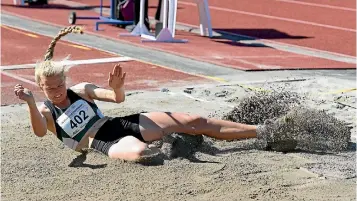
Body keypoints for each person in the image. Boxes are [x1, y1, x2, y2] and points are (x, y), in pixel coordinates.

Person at [14, 26, 293, 162]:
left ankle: (263, 130)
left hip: (117, 124)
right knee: (143, 155)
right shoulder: (46, 112)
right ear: (41, 87)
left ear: (65, 80)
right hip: (101, 142)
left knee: (193, 119)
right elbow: (40, 132)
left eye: (59, 86)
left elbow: (116, 99)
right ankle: (178, 143)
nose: (56, 92)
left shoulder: (81, 90)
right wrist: (29, 102)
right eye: (49, 88)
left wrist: (117, 88)